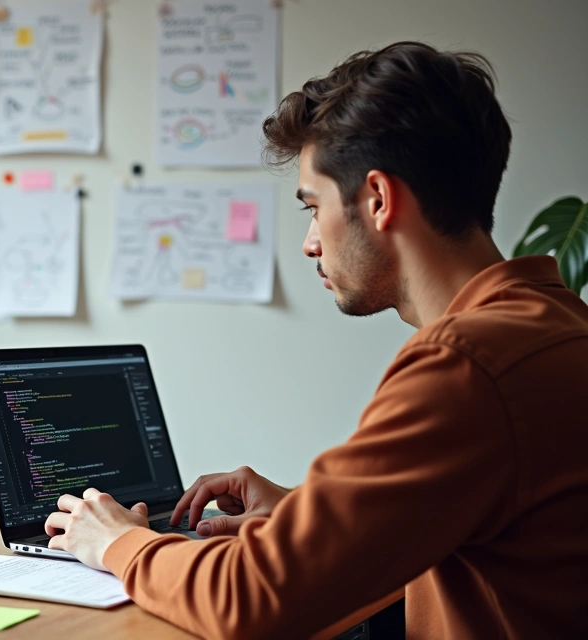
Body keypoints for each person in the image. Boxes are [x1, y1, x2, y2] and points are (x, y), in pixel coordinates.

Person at [43, 41, 588, 638]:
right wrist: (311, 514)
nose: (310, 242)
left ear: (378, 200)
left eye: (313, 206)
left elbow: (253, 603)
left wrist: (120, 543)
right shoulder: (554, 325)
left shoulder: (469, 366)